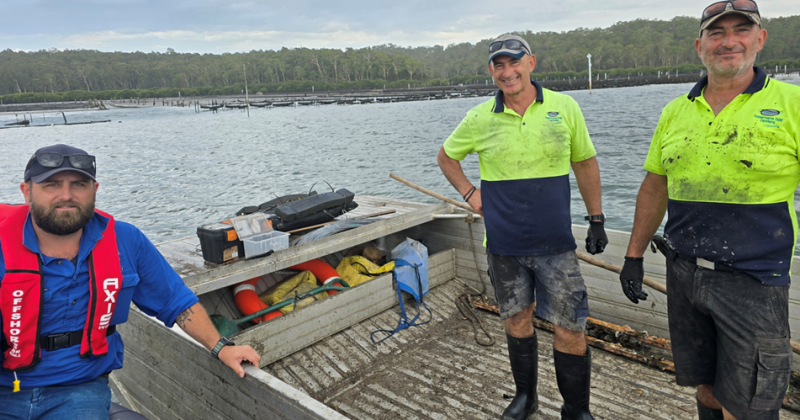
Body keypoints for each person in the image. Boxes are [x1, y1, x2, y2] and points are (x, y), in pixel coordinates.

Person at [619, 2, 800, 419]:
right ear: (700, 46)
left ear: (760, 38)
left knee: (752, 404)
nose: (729, 42)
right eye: (717, 34)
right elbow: (655, 185)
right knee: (705, 386)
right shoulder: (676, 110)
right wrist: (632, 256)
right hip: (685, 273)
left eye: (741, 30)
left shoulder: (790, 104)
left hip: (754, 280)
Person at [0, 144, 262, 419]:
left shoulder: (125, 240)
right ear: (27, 191)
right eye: (51, 185)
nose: (66, 196)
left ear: (94, 190)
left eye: (78, 184)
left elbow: (175, 300)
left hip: (77, 389)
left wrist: (221, 347)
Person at [437, 34, 606, 420]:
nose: (507, 71)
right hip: (503, 241)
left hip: (556, 242)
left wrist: (596, 218)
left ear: (531, 62)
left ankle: (576, 410)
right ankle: (525, 398)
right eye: (499, 64)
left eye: (514, 62)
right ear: (491, 71)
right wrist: (469, 193)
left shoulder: (564, 107)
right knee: (516, 318)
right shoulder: (479, 117)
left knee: (570, 327)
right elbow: (446, 157)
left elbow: (585, 162)